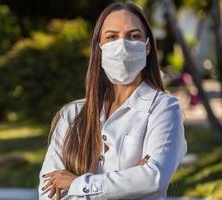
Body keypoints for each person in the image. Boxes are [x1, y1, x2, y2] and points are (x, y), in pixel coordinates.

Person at [38, 2, 187, 200]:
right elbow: (48, 193)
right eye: (112, 37)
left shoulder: (164, 108)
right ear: (100, 47)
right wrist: (131, 181)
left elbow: (153, 177)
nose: (123, 46)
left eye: (134, 36)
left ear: (148, 46)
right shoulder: (71, 114)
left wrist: (76, 183)